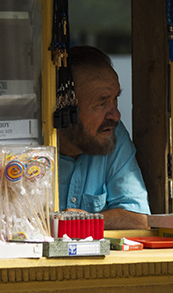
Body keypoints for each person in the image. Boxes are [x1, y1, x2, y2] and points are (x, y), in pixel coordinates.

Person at [57, 46, 150, 230]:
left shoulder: (112, 133)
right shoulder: (32, 143)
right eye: (102, 103)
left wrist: (85, 222)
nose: (116, 115)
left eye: (115, 99)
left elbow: (139, 219)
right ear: (65, 109)